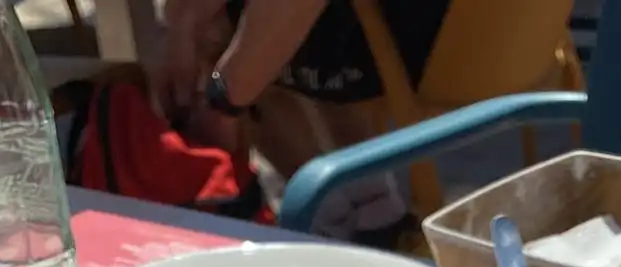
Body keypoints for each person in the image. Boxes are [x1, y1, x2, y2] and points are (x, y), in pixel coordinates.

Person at [155, 0, 451, 240]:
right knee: (243, 56)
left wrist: (223, 96)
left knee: (241, 51)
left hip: (434, 38)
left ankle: (340, 217)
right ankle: (359, 212)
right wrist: (183, 26)